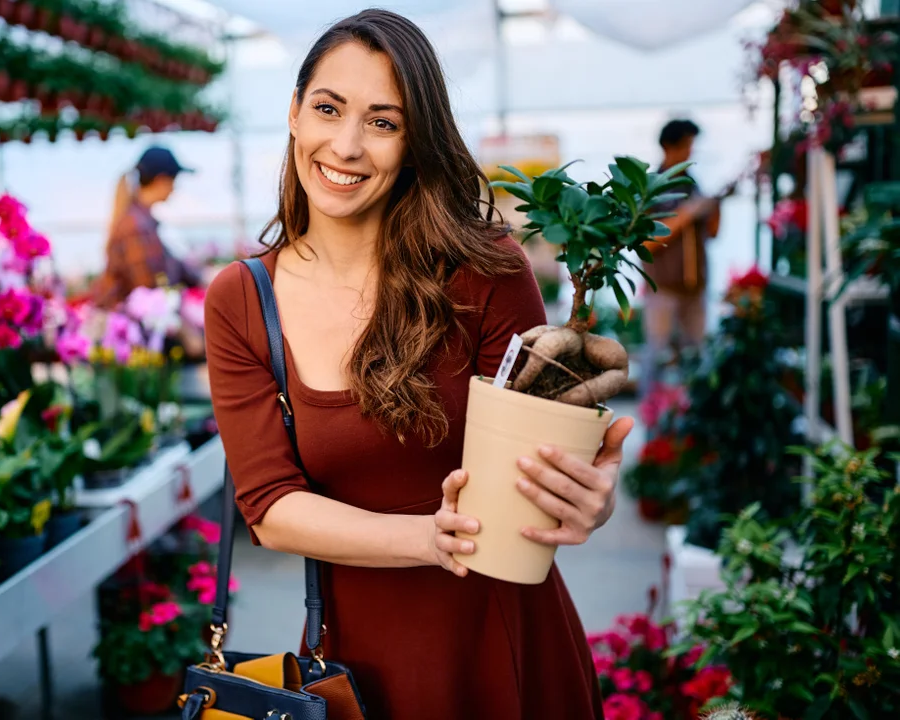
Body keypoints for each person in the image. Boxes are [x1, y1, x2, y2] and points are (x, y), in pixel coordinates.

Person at [204, 10, 632, 719]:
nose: (346, 145)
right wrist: (427, 539)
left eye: (383, 122)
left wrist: (586, 497)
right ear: (293, 112)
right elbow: (271, 508)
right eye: (328, 109)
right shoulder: (243, 300)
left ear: (414, 141)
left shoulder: (485, 270)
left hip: (504, 641)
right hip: (354, 672)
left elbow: (538, 468)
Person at [640, 119, 734, 389]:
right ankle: (651, 422)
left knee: (696, 358)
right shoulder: (652, 187)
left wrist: (716, 205)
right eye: (687, 145)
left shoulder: (692, 185)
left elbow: (712, 234)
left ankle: (687, 420)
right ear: (669, 146)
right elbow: (646, 243)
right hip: (663, 288)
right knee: (656, 356)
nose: (690, 153)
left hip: (695, 287)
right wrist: (688, 213)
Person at [91, 146, 204, 308]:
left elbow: (175, 269)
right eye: (173, 180)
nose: (174, 188)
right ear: (161, 180)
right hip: (134, 326)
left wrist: (203, 277)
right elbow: (149, 292)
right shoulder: (135, 226)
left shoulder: (143, 222)